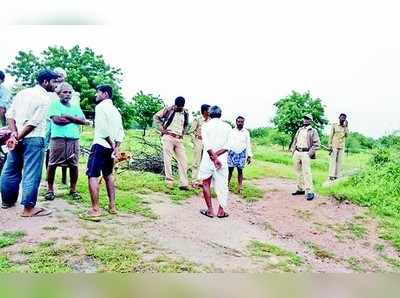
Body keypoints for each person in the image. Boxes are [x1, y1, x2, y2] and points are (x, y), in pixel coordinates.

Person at [1, 69, 58, 216]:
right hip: (33, 138)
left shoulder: (22, 93)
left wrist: (14, 134)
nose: (56, 85)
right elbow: (33, 123)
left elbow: (10, 115)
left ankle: (7, 201)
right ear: (45, 82)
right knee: (31, 173)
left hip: (16, 137)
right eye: (54, 82)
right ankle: (28, 208)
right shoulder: (45, 99)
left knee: (11, 169)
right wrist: (18, 136)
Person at [45, 82, 91, 201]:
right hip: (58, 139)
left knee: (74, 165)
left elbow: (83, 120)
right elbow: (57, 120)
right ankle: (50, 189)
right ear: (58, 94)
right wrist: (75, 120)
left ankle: (73, 189)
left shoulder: (75, 106)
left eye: (70, 92)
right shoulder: (54, 105)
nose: (68, 94)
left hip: (74, 139)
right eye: (65, 92)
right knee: (53, 164)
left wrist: (68, 117)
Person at [85, 85, 124, 218]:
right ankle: (112, 206)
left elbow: (102, 129)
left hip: (101, 144)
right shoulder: (116, 111)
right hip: (111, 148)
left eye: (98, 93)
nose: (96, 95)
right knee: (108, 174)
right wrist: (116, 146)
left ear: (105, 94)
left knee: (92, 175)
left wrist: (111, 143)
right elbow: (120, 132)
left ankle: (95, 209)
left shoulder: (100, 107)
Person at [198, 106, 232, 218]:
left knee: (206, 183)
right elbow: (228, 146)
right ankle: (221, 211)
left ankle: (210, 211)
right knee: (223, 185)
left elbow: (206, 144)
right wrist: (217, 157)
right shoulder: (227, 127)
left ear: (209, 114)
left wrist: (213, 157)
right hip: (221, 160)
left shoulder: (205, 126)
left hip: (208, 159)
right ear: (220, 114)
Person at [153, 96, 190, 190]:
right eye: (178, 107)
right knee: (168, 159)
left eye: (181, 107)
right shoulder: (168, 109)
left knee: (183, 160)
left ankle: (184, 183)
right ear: (175, 104)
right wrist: (162, 129)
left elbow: (186, 124)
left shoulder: (185, 112)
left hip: (179, 139)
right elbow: (156, 117)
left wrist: (183, 133)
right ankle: (169, 181)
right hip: (168, 137)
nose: (179, 108)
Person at [291, 114, 320, 201]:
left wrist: (309, 153)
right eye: (304, 118)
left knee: (307, 173)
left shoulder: (313, 131)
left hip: (305, 153)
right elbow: (295, 140)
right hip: (297, 152)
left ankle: (310, 192)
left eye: (307, 119)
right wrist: (293, 150)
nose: (305, 120)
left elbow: (317, 144)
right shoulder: (300, 129)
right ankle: (300, 189)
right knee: (298, 172)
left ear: (311, 121)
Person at [228, 116, 252, 194]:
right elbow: (228, 142)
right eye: (239, 121)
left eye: (242, 122)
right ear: (236, 122)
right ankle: (226, 186)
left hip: (242, 153)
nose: (240, 123)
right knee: (229, 171)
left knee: (240, 171)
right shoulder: (231, 131)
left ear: (243, 122)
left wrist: (249, 156)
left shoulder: (246, 132)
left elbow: (248, 144)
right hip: (232, 152)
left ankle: (240, 187)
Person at [189, 104, 210, 188]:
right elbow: (191, 131)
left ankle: (202, 180)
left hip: (207, 143)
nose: (210, 112)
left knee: (205, 162)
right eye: (209, 110)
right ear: (204, 111)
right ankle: (194, 181)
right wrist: (194, 141)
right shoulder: (197, 120)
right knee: (196, 162)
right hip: (198, 141)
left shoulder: (211, 121)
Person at [328, 113, 349, 180]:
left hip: (341, 146)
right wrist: (329, 145)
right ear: (339, 117)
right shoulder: (334, 125)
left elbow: (346, 135)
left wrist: (346, 126)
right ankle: (331, 175)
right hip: (334, 145)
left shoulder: (345, 127)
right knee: (333, 160)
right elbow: (331, 135)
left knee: (340, 161)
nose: (343, 119)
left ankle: (337, 175)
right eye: (342, 117)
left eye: (344, 118)